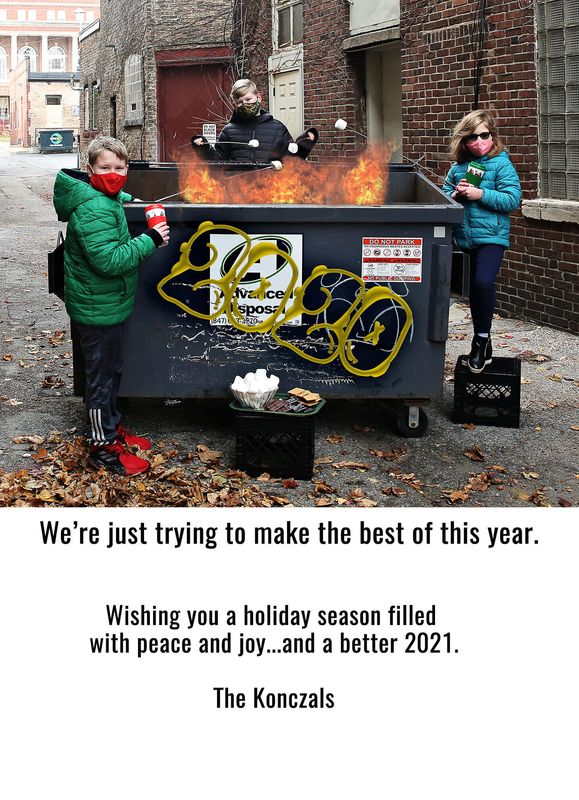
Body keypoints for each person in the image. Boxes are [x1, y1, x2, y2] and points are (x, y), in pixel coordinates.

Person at [53, 136, 170, 475]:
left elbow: (113, 197)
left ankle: (111, 426)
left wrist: (134, 200)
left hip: (105, 305)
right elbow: (109, 261)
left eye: (120, 168)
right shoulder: (93, 209)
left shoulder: (104, 198)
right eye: (105, 168)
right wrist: (150, 238)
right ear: (90, 170)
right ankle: (101, 446)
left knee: (112, 369)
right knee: (100, 378)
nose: (113, 174)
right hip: (96, 308)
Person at [443, 110, 521, 373]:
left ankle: (481, 340)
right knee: (471, 291)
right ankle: (483, 343)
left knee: (483, 282)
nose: (479, 141)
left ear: (492, 135)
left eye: (484, 135)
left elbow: (513, 200)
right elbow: (444, 200)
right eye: (473, 136)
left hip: (491, 237)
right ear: (464, 140)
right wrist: (456, 193)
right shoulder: (457, 168)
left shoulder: (501, 163)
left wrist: (481, 193)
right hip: (464, 238)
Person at [192, 78, 318, 166]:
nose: (244, 104)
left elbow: (292, 160)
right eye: (239, 102)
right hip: (237, 191)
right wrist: (204, 148)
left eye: (248, 99)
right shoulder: (229, 131)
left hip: (270, 191)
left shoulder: (277, 128)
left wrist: (305, 143)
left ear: (259, 98)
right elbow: (217, 163)